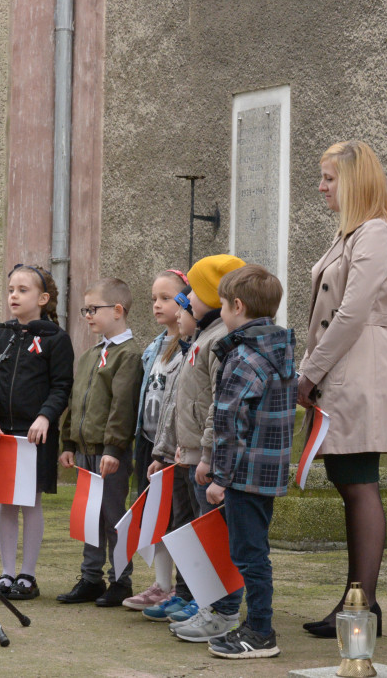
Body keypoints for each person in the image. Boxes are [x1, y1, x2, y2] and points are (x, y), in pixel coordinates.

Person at [298, 140, 387, 637]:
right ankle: (355, 601)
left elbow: (351, 312)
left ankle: (362, 605)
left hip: (359, 369)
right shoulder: (351, 235)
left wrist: (309, 372)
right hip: (343, 368)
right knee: (349, 482)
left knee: (359, 483)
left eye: (328, 178)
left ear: (354, 180)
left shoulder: (376, 233)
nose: (321, 187)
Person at [205, 264, 295, 659]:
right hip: (268, 472)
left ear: (237, 306)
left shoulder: (243, 356)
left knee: (249, 554)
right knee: (253, 550)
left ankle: (260, 630)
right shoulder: (280, 350)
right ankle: (255, 624)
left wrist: (219, 477)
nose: (221, 313)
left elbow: (229, 424)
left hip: (243, 475)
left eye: (223, 306)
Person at [160, 254, 246, 636]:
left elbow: (218, 405)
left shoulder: (218, 340)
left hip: (207, 459)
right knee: (204, 537)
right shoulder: (203, 337)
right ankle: (209, 606)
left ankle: (222, 612)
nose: (187, 298)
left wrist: (207, 455)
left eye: (194, 290)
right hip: (193, 453)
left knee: (216, 540)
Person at [0, 264, 74, 600]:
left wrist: (46, 416)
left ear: (43, 298)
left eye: (23, 290)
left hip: (35, 434)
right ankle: (6, 573)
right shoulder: (2, 334)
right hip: (3, 433)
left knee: (30, 502)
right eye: (11, 289)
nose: (14, 296)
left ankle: (28, 576)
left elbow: (62, 385)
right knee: (6, 503)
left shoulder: (55, 338)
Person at [58, 277, 143, 606]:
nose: (88, 315)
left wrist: (113, 449)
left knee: (112, 517)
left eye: (93, 309)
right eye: (86, 310)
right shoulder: (92, 354)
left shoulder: (128, 355)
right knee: (89, 516)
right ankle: (90, 577)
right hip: (84, 452)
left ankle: (120, 580)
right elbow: (76, 400)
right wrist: (68, 442)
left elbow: (122, 407)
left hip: (110, 455)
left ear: (118, 310)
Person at [122, 269, 189, 612]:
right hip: (149, 444)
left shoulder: (188, 349)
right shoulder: (154, 347)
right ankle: (162, 584)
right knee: (156, 517)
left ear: (186, 301)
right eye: (154, 299)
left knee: (179, 518)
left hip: (176, 448)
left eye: (167, 298)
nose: (157, 305)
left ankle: (182, 588)